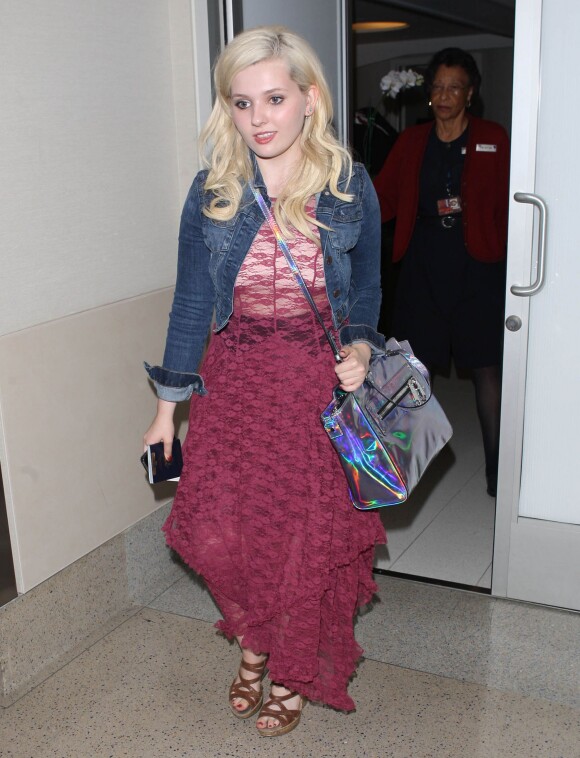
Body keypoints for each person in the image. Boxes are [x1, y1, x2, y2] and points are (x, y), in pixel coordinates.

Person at [143, 26, 386, 737]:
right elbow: (192, 303)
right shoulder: (214, 189)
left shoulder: (348, 186)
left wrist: (362, 352)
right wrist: (166, 409)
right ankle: (253, 637)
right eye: (243, 103)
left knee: (297, 542)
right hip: (233, 388)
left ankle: (284, 667)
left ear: (309, 98)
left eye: (275, 98)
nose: (260, 119)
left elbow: (366, 293)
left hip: (315, 392)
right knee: (224, 537)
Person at [373, 48, 509, 497]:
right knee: (414, 370)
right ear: (428, 94)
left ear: (471, 93)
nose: (445, 95)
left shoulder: (494, 138)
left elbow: (512, 205)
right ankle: (401, 471)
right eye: (438, 87)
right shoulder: (412, 142)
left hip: (478, 269)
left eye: (455, 87)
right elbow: (383, 199)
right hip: (423, 269)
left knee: (487, 370)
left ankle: (498, 473)